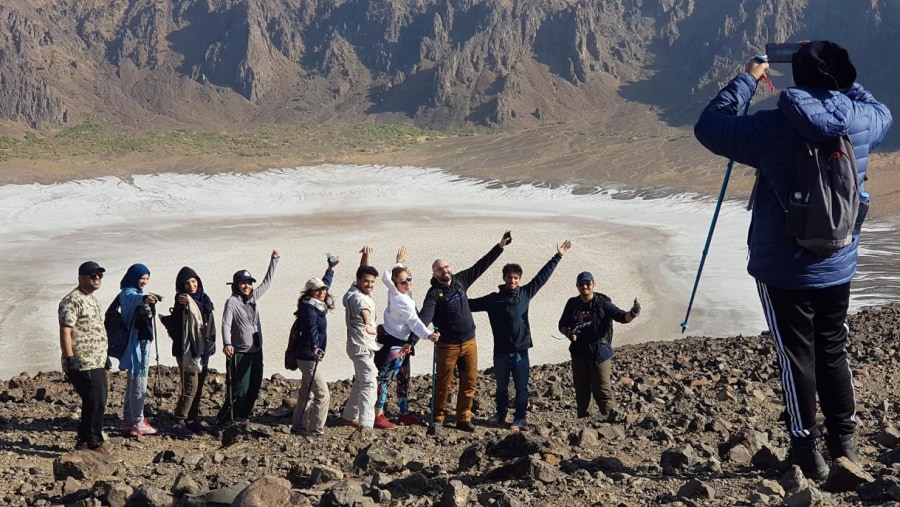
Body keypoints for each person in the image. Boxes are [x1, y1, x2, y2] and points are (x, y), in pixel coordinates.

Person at [693, 41, 891, 479]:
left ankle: (806, 452)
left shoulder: (770, 126)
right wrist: (844, 81)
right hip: (838, 259)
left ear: (796, 75)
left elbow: (710, 127)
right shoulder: (861, 121)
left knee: (796, 356)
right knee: (832, 349)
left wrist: (749, 78)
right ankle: (846, 445)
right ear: (839, 75)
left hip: (782, 265)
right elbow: (881, 109)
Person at [470, 240, 571, 431]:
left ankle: (520, 417)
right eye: (509, 277)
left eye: (516, 278)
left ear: (520, 279)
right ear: (504, 278)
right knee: (501, 388)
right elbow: (469, 304)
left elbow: (542, 277)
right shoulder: (494, 299)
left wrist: (557, 256)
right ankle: (501, 413)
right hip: (500, 352)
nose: (513, 281)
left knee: (521, 388)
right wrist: (451, 296)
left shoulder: (525, 293)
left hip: (520, 352)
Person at [420, 231, 512, 432]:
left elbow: (481, 266)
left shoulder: (461, 280)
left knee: (470, 381)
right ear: (434, 274)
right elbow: (424, 317)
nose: (444, 270)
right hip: (448, 346)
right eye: (439, 269)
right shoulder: (434, 293)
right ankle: (437, 418)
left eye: (446, 267)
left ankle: (463, 417)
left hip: (470, 342)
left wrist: (500, 246)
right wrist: (418, 336)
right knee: (443, 383)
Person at [558, 271, 639, 421]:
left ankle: (609, 422)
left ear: (593, 285)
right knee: (581, 392)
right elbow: (562, 325)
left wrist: (633, 313)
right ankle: (583, 422)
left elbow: (622, 317)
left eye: (588, 283)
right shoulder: (572, 304)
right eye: (581, 284)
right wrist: (569, 333)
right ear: (577, 286)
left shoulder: (602, 303)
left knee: (602, 391)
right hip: (579, 353)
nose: (584, 286)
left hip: (599, 353)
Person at [375, 246, 440, 429]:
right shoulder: (401, 300)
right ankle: (378, 415)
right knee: (386, 378)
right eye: (403, 281)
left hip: (401, 342)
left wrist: (399, 262)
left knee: (403, 377)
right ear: (397, 284)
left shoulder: (396, 291)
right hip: (394, 343)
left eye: (409, 279)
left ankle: (403, 413)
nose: (408, 283)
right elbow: (414, 322)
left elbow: (387, 278)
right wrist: (428, 335)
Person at [217, 250, 280, 424]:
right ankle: (225, 418)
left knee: (254, 386)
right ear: (236, 284)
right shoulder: (232, 302)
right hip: (240, 353)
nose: (247, 286)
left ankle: (243, 416)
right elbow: (225, 324)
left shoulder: (253, 298)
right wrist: (227, 343)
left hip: (256, 351)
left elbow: (267, 283)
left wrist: (274, 260)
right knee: (239, 389)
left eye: (249, 283)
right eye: (243, 283)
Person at [58, 261, 110, 453]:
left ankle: (83, 441)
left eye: (100, 275)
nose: (97, 279)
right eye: (93, 276)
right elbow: (66, 331)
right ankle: (95, 442)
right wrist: (70, 358)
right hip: (82, 361)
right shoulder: (72, 300)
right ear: (81, 278)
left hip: (97, 360)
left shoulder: (94, 300)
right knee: (95, 400)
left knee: (96, 400)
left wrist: (105, 355)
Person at [288, 255, 340, 438]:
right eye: (318, 290)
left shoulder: (314, 303)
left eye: (323, 290)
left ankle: (298, 425)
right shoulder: (309, 309)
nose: (322, 292)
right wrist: (317, 349)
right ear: (310, 292)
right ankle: (316, 430)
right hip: (309, 356)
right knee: (322, 394)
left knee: (306, 392)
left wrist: (330, 269)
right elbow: (311, 331)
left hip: (307, 355)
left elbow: (325, 284)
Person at [168, 267, 216, 440]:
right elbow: (178, 320)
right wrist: (180, 305)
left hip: (202, 349)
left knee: (199, 384)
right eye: (187, 283)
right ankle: (178, 422)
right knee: (191, 386)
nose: (192, 285)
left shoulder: (204, 299)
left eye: (194, 281)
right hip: (187, 350)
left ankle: (191, 419)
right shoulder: (182, 300)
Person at [117, 263, 161, 436]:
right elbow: (133, 299)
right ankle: (137, 421)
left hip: (140, 343)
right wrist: (144, 299)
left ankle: (129, 420)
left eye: (147, 279)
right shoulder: (128, 293)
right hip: (137, 344)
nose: (144, 282)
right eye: (142, 278)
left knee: (134, 381)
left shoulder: (137, 293)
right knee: (139, 382)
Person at [340, 247, 381, 429]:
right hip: (362, 346)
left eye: (372, 282)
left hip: (360, 346)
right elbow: (363, 309)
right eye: (367, 282)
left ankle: (349, 416)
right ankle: (366, 425)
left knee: (361, 381)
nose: (370, 284)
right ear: (359, 281)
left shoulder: (353, 291)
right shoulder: (358, 299)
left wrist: (366, 256)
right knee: (370, 384)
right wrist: (368, 324)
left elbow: (363, 273)